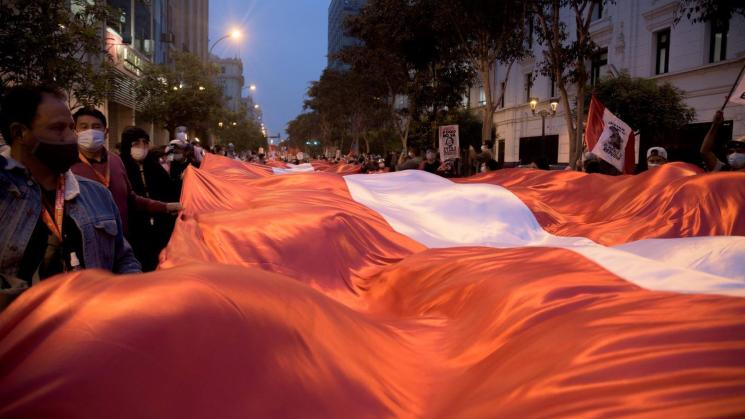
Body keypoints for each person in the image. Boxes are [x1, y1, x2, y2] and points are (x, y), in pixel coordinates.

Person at [0, 85, 140, 308]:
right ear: (20, 133)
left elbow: (123, 258)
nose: (71, 137)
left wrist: (128, 299)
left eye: (70, 128)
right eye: (58, 128)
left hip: (92, 330)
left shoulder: (97, 194)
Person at [71, 107, 180, 237]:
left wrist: (165, 207)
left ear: (105, 132)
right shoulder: (66, 166)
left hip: (122, 242)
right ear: (74, 131)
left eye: (96, 127)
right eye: (84, 127)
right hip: (86, 246)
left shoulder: (115, 161)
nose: (91, 132)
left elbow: (130, 198)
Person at [120, 126, 180, 271]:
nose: (142, 147)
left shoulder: (154, 167)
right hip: (134, 233)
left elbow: (171, 191)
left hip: (159, 231)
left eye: (145, 143)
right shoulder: (120, 167)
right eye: (136, 144)